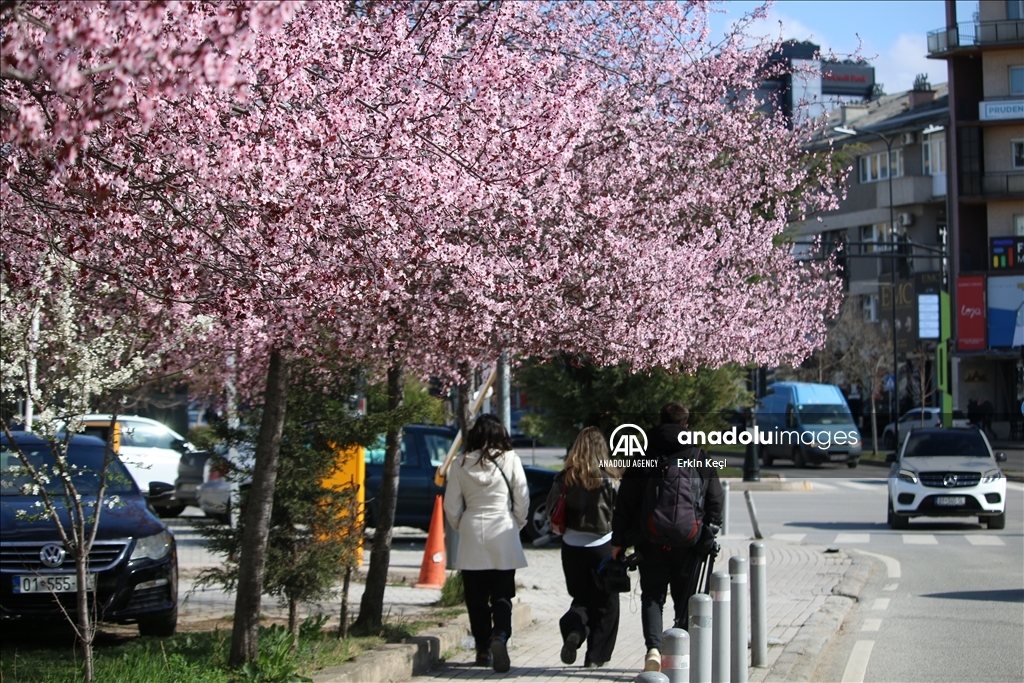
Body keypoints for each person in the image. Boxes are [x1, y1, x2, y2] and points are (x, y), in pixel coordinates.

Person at [611, 403, 724, 673]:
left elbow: (625, 502)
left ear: (660, 424)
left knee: (652, 596)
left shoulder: (644, 455)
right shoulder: (698, 456)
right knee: (686, 596)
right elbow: (715, 499)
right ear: (686, 426)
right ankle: (681, 650)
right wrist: (711, 528)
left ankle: (653, 648)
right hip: (689, 541)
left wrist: (619, 541)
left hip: (649, 539)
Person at [443, 414, 529, 673]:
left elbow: (451, 505)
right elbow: (522, 498)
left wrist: (461, 524)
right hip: (502, 528)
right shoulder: (511, 459)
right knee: (502, 594)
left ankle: (482, 648)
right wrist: (517, 523)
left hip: (471, 531)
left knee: (475, 597)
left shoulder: (459, 464)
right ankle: (499, 636)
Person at [546, 426, 621, 669]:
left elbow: (550, 511)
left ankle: (574, 630)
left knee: (581, 598)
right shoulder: (611, 479)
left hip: (571, 547)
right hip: (602, 547)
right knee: (606, 603)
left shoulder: (564, 478)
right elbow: (621, 516)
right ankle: (595, 657)